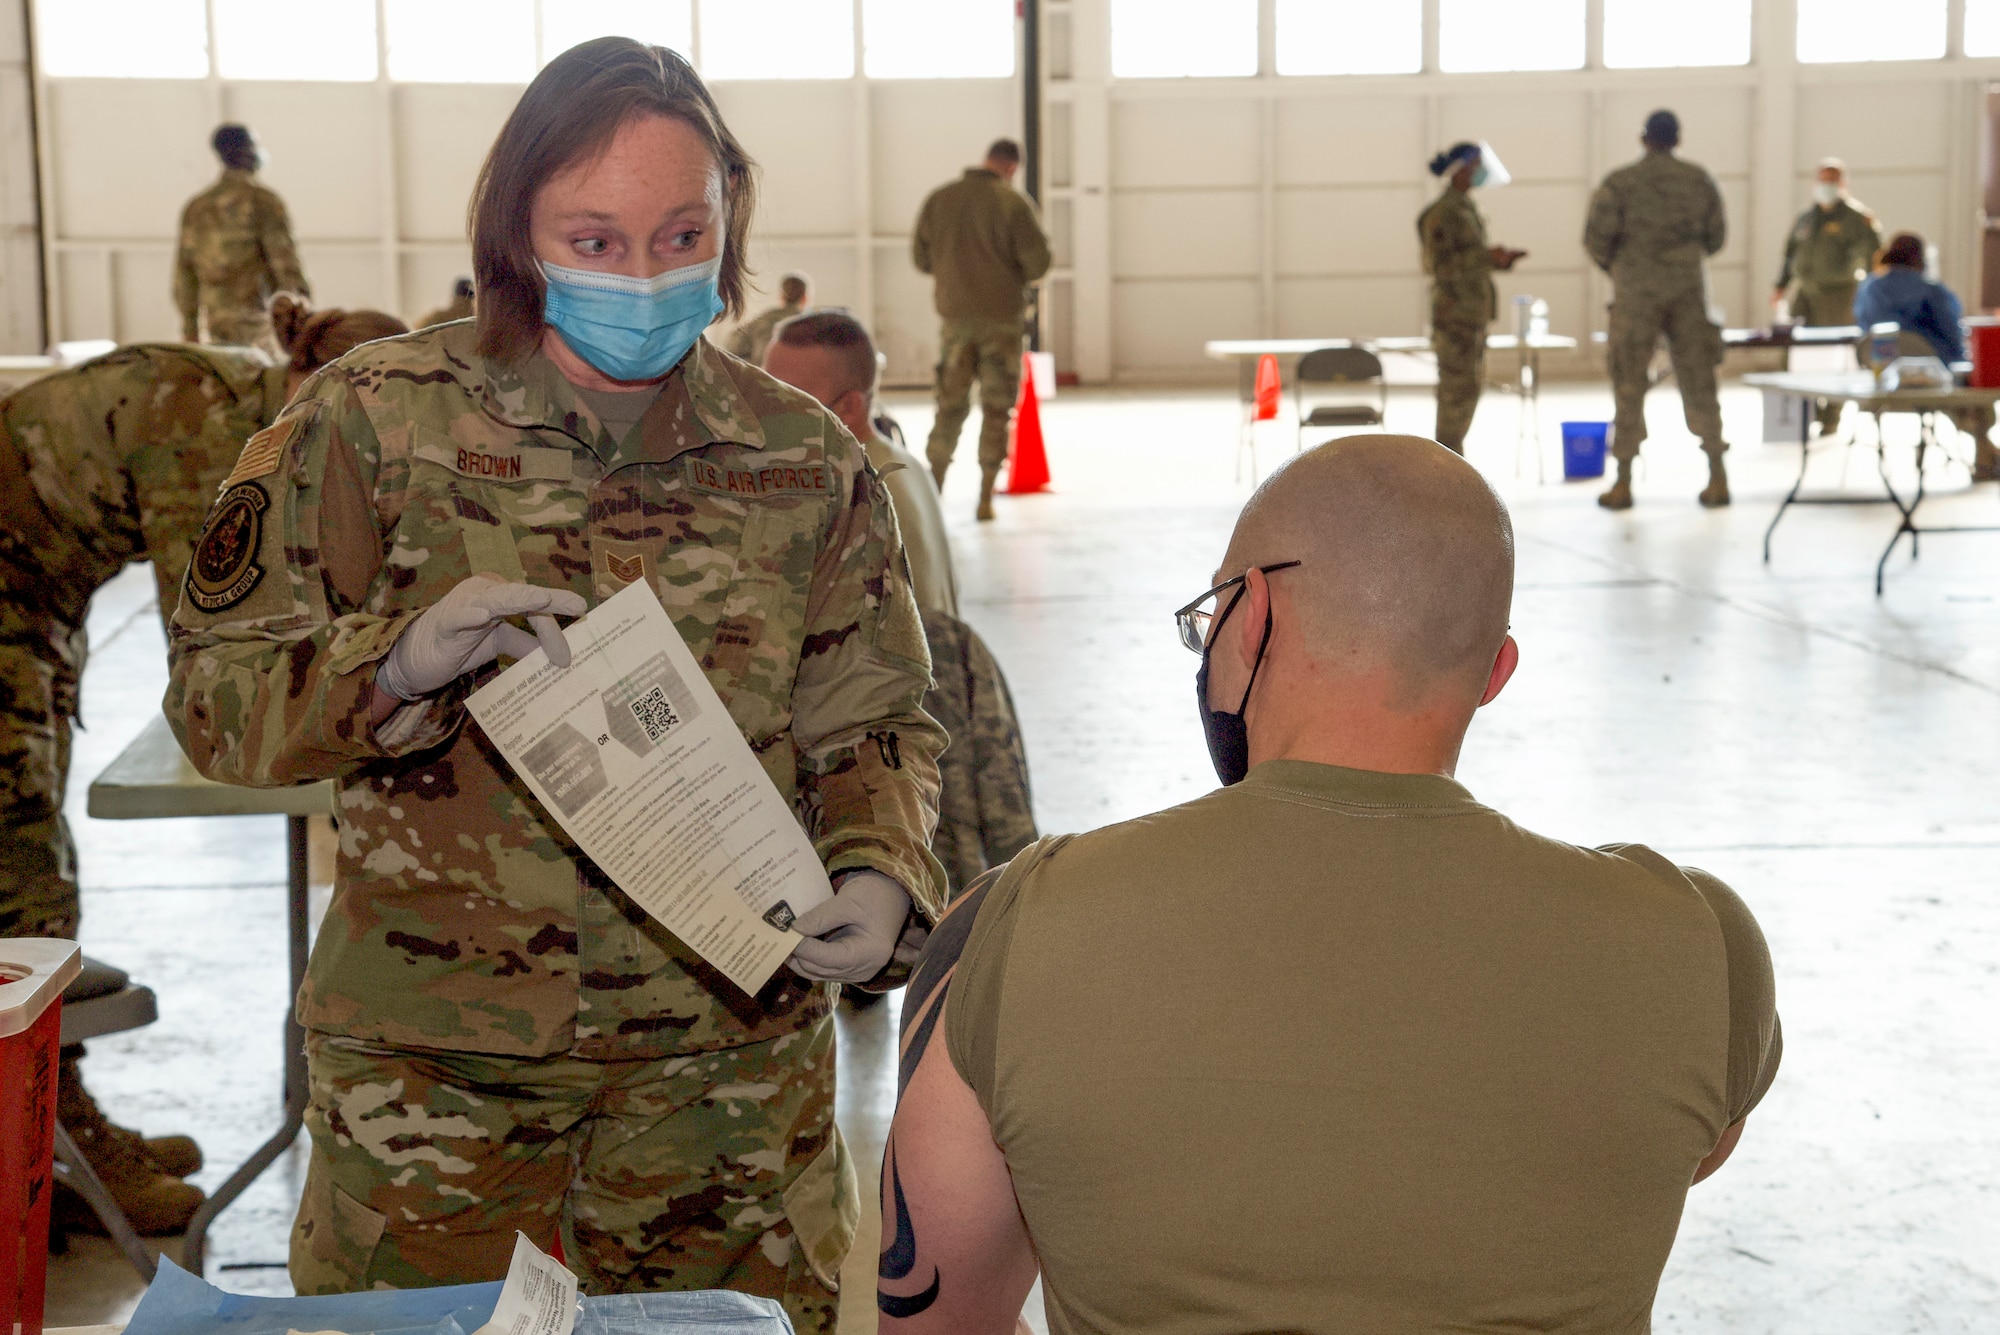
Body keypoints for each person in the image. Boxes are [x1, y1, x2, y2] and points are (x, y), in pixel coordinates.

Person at [164, 40, 944, 1330]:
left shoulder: (803, 457)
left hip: (728, 1095)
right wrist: (394, 666)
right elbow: (216, 701)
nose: (642, 275)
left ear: (726, 224)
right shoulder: (369, 420)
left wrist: (877, 864)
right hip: (438, 1093)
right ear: (516, 236)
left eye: (680, 233)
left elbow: (875, 718)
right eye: (595, 237)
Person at [878, 434, 1782, 1334]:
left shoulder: (1010, 931)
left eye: (1211, 620)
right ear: (1493, 674)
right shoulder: (1700, 947)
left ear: (1255, 613)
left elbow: (936, 1318)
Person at [0, 295, 406, 1237]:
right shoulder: (217, 432)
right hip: (11, 598)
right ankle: (45, 1142)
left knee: (26, 850)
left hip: (32, 596)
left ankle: (51, 1125)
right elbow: (221, 645)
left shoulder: (254, 412)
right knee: (20, 873)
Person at [763, 309, 1037, 895]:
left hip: (906, 747)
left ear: (849, 408)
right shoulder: (899, 463)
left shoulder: (861, 499)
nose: (764, 417)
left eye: (788, 400)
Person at [1585, 109, 1731, 510]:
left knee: (1629, 383)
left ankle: (1623, 483)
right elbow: (1716, 237)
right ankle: (1717, 476)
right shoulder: (1698, 179)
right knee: (1700, 380)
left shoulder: (1620, 183)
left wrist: (1626, 269)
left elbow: (1596, 239)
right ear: (1678, 138)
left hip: (1636, 295)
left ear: (1643, 138)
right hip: (1688, 290)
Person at [912, 138, 1051, 521]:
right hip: (1002, 325)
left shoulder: (940, 199)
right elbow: (1038, 265)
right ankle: (985, 499)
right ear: (1012, 167)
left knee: (948, 407)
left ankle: (934, 492)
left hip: (954, 325)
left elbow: (921, 258)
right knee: (996, 409)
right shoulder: (1013, 203)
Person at [1856, 232, 2000, 481]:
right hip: (1934, 382)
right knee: (1969, 385)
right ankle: (1983, 450)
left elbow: (1863, 330)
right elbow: (1953, 337)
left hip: (1882, 382)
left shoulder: (1868, 289)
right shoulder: (1932, 292)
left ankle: (1986, 450)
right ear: (1920, 259)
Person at [1417, 141, 1526, 455]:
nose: (1481, 173)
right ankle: (1445, 462)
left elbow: (1466, 260)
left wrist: (1497, 260)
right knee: (1455, 393)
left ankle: (1451, 458)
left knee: (1467, 390)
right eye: (1476, 166)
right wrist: (1484, 256)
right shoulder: (1443, 213)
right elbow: (1438, 266)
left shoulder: (1465, 208)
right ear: (1461, 169)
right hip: (1455, 317)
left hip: (1470, 315)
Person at [174, 125, 310, 355]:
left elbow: (184, 275)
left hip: (213, 330)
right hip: (262, 331)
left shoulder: (197, 207)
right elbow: (286, 269)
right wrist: (303, 324)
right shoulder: (264, 202)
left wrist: (190, 331)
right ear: (250, 151)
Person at [1774, 158, 1881, 436]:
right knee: (1793, 349)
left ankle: (1832, 414)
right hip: (1805, 292)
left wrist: (1871, 295)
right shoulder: (1806, 218)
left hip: (1839, 294)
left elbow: (1874, 258)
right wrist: (1780, 286)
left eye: (1832, 181)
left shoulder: (1858, 219)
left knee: (1836, 354)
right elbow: (1789, 255)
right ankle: (1802, 409)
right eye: (1822, 180)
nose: (1826, 186)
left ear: (1843, 184)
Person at [727, 271, 811, 366]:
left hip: (761, 376)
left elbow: (731, 348)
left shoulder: (761, 320)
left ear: (781, 297)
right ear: (805, 298)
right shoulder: (813, 325)